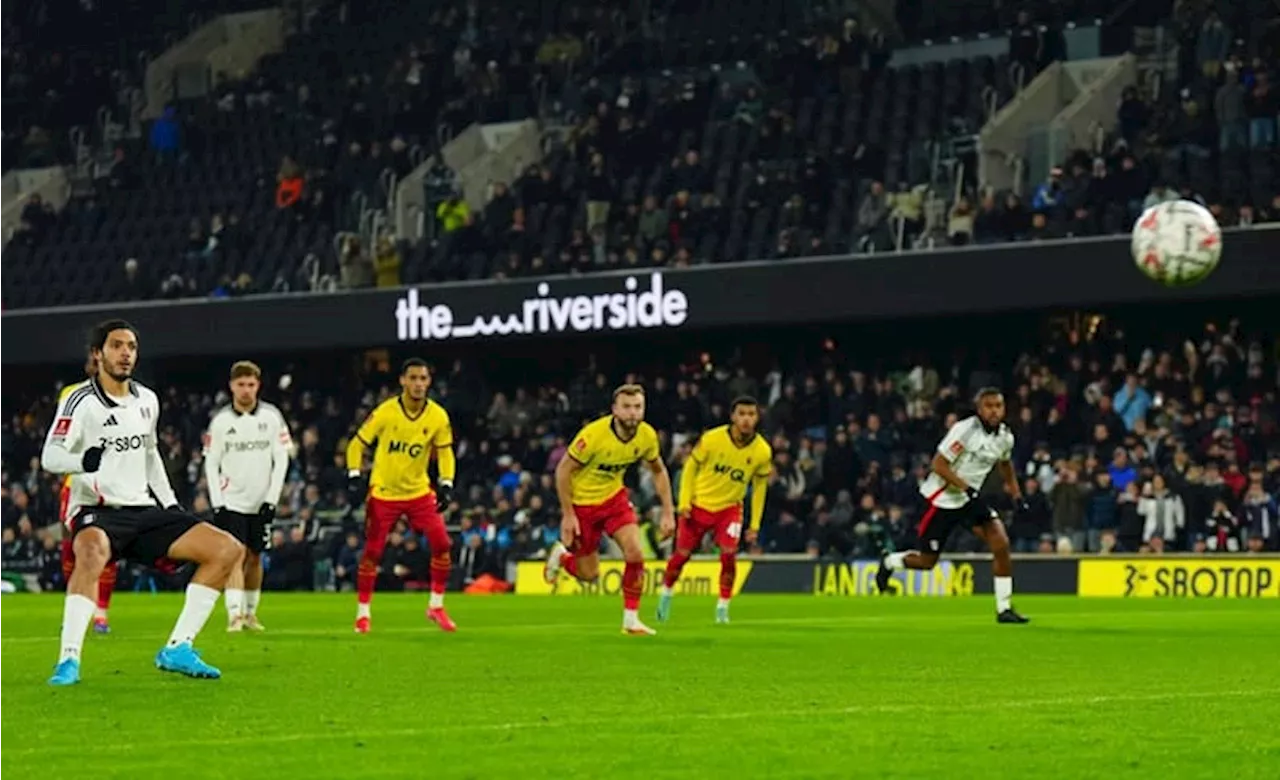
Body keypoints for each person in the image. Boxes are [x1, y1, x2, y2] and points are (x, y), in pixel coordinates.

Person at [42, 319, 242, 685]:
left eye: (131, 347)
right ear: (97, 354)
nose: (125, 354)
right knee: (90, 555)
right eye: (117, 346)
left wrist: (169, 505)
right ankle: (68, 660)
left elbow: (151, 457)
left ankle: (178, 647)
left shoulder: (147, 400)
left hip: (143, 509)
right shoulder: (79, 400)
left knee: (227, 549)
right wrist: (80, 461)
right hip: (96, 511)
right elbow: (50, 456)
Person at [875, 388, 1030, 623]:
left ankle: (1004, 608)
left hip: (970, 500)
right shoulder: (964, 430)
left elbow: (1005, 465)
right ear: (979, 409)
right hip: (942, 500)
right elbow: (939, 465)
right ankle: (889, 562)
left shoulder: (1005, 437)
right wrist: (966, 487)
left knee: (1001, 544)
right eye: (988, 406)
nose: (994, 411)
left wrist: (1017, 495)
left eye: (998, 406)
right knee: (927, 562)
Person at [544, 384, 677, 635]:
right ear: (614, 410)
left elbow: (659, 470)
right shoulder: (593, 436)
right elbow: (563, 470)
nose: (633, 413)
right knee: (589, 575)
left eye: (638, 407)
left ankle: (631, 620)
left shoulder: (647, 436)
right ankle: (562, 557)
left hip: (614, 500)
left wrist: (669, 511)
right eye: (626, 407)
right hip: (582, 505)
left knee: (635, 553)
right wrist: (568, 515)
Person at [345, 358, 457, 634]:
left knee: (442, 544)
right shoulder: (386, 412)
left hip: (419, 491)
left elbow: (445, 452)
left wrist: (446, 483)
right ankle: (363, 613)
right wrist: (354, 476)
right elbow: (356, 444)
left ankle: (436, 606)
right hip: (384, 492)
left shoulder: (438, 416)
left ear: (429, 382)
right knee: (373, 552)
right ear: (403, 381)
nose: (419, 384)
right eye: (414, 378)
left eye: (423, 379)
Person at [658, 396, 772, 624]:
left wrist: (755, 524)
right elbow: (690, 467)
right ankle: (666, 594)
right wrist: (684, 502)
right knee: (681, 556)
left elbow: (760, 488)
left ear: (757, 417)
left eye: (751, 414)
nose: (746, 419)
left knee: (729, 555)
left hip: (729, 509)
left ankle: (722, 607)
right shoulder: (712, 439)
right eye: (742, 414)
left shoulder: (762, 451)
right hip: (699, 505)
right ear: (733, 417)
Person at [204, 360, 291, 632]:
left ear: (258, 385)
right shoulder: (220, 422)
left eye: (251, 385)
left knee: (255, 557)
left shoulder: (271, 417)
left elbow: (282, 458)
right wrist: (217, 502)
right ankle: (234, 615)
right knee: (235, 555)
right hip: (232, 501)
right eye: (241, 384)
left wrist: (272, 499)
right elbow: (211, 462)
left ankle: (251, 613)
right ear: (231, 386)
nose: (246, 390)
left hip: (261, 501)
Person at [55, 357, 120, 635]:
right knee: (71, 544)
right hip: (78, 481)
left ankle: (101, 613)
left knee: (110, 547)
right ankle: (75, 607)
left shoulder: (129, 396)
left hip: (114, 482)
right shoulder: (71, 395)